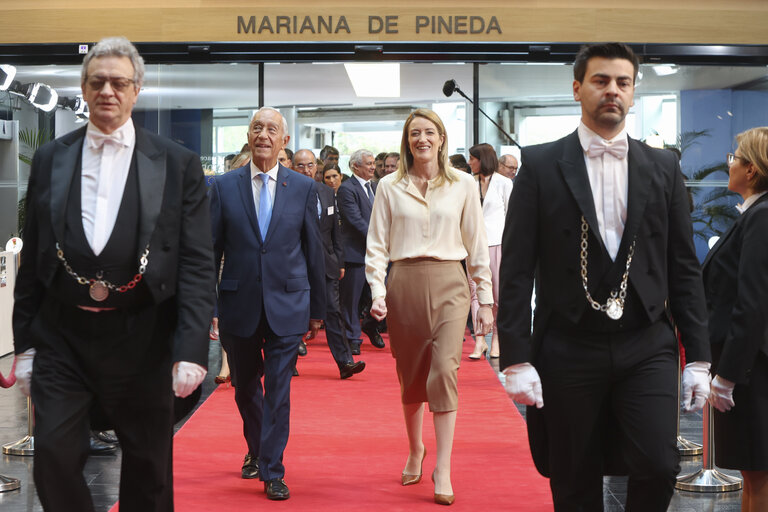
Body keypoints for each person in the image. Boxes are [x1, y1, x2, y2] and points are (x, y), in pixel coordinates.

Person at [498, 42, 711, 511]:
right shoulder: (539, 165)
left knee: (658, 464)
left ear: (633, 93)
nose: (612, 91)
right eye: (600, 81)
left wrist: (698, 354)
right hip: (567, 345)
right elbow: (514, 271)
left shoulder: (663, 166)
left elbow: (683, 266)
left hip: (647, 342)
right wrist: (515, 356)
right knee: (573, 478)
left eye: (623, 82)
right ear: (577, 88)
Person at [12, 36, 215, 512]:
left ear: (136, 89)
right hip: (63, 335)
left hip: (145, 335)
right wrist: (25, 344)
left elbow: (197, 262)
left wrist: (191, 348)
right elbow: (35, 255)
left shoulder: (176, 163)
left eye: (119, 82)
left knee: (148, 471)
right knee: (54, 460)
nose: (108, 90)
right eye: (97, 81)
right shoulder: (51, 157)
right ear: (83, 88)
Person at [367, 108, 493, 506]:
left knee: (444, 372)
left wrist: (485, 299)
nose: (422, 139)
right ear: (408, 141)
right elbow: (376, 245)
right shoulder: (389, 185)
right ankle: (415, 448)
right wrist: (377, 291)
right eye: (414, 133)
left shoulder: (462, 186)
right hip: (403, 281)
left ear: (441, 138)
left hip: (449, 283)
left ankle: (443, 466)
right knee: (412, 374)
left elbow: (476, 244)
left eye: (429, 132)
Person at [209, 107, 325, 500]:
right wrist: (208, 304)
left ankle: (272, 468)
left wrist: (318, 310)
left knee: (279, 388)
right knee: (245, 388)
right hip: (238, 303)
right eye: (257, 128)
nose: (263, 135)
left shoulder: (303, 187)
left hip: (289, 304)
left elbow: (314, 251)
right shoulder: (224, 187)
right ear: (248, 134)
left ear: (284, 141)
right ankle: (257, 449)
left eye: (271, 129)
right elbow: (211, 251)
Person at [704, 127, 768, 512]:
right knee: (751, 473)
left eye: (736, 157)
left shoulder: (761, 216)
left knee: (758, 475)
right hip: (748, 365)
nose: (730, 164)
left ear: (753, 171)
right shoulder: (755, 214)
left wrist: (727, 375)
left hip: (750, 368)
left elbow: (752, 302)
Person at [293, 149, 366, 379]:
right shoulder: (286, 193)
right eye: (300, 166)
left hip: (327, 263)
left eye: (310, 165)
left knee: (333, 312)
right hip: (296, 263)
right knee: (294, 314)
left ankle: (345, 362)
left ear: (317, 167)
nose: (306, 170)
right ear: (293, 168)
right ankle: (287, 362)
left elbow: (336, 230)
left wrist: (339, 260)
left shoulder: (326, 192)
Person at [467, 143, 513, 360]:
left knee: (496, 295)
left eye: (472, 159)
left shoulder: (504, 183)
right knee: (475, 294)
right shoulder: (468, 182)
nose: (469, 163)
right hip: (473, 244)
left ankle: (496, 338)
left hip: (497, 243)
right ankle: (479, 340)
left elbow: (512, 215)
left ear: (481, 159)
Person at [338, 149, 386, 354]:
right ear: (355, 166)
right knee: (351, 300)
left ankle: (370, 324)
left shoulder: (375, 187)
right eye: (368, 163)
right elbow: (355, 219)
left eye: (373, 162)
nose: (373, 167)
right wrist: (379, 239)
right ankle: (352, 337)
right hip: (355, 253)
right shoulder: (346, 189)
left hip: (377, 254)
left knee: (379, 295)